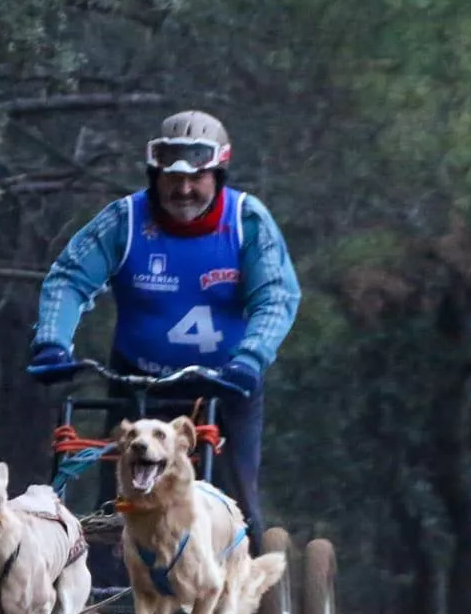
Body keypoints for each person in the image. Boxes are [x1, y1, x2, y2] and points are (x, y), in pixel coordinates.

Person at [28, 109, 300, 582]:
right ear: (154, 176)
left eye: (197, 179)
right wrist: (53, 342)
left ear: (218, 175)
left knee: (236, 497)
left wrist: (251, 357)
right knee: (119, 502)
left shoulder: (246, 221)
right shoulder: (125, 220)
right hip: (138, 383)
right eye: (172, 179)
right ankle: (105, 601)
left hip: (226, 383)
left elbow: (275, 296)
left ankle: (244, 593)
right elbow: (69, 278)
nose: (184, 190)